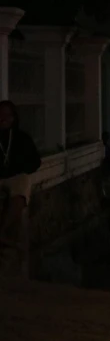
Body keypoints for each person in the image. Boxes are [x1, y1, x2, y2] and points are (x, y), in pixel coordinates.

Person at [0, 101, 42, 274]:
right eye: (1, 115)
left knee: (21, 190)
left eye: (8, 115)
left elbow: (35, 162)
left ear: (14, 117)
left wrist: (20, 166)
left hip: (16, 176)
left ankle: (1, 231)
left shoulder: (21, 138)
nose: (4, 119)